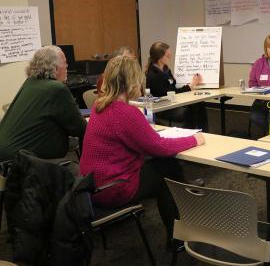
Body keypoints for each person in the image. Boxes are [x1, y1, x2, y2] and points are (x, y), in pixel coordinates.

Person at [79, 55, 205, 245]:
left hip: (90, 187)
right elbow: (159, 147)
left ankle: (180, 222)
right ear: (132, 81)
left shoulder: (99, 105)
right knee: (168, 169)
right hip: (113, 189)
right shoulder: (126, 112)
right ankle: (178, 236)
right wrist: (194, 139)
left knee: (163, 167)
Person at [0, 46, 86, 161]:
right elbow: (80, 129)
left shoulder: (30, 82)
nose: (67, 67)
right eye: (65, 63)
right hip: (21, 162)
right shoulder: (56, 89)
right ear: (55, 68)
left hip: (7, 154)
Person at [145, 41, 206, 129]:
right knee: (191, 109)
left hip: (173, 102)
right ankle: (191, 132)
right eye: (167, 55)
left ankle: (202, 131)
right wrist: (190, 86)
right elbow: (171, 93)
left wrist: (188, 86)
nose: (170, 57)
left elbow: (172, 87)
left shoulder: (165, 69)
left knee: (199, 103)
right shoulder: (153, 75)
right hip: (163, 107)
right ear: (160, 57)